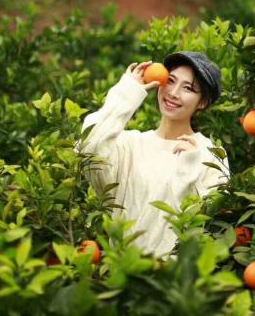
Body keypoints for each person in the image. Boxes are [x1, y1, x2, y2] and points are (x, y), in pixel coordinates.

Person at [76, 52, 229, 259]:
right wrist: (126, 93)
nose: (174, 93)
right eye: (171, 81)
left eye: (188, 88)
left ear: (202, 102)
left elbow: (209, 224)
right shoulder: (129, 145)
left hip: (174, 282)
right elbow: (88, 147)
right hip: (122, 274)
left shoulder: (209, 155)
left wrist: (188, 170)